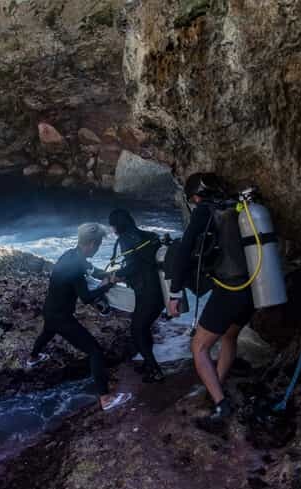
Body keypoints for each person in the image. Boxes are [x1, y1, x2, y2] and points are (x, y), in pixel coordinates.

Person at [167, 172, 256, 433]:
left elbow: (184, 250)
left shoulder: (204, 211)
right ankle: (218, 382)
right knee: (229, 336)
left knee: (199, 348)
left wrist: (174, 292)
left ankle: (220, 405)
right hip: (254, 287)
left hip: (230, 289)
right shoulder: (236, 206)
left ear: (196, 197)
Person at [27, 223, 132, 411]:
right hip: (62, 317)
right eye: (99, 245)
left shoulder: (71, 254)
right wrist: (108, 285)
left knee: (47, 331)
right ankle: (105, 398)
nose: (98, 247)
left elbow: (92, 270)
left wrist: (112, 275)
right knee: (95, 351)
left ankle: (33, 358)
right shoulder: (75, 267)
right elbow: (86, 298)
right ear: (92, 244)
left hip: (49, 310)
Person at [108, 208, 165, 383]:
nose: (112, 230)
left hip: (147, 292)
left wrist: (114, 277)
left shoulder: (125, 239)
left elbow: (133, 266)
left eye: (112, 226)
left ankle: (155, 371)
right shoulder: (148, 235)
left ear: (117, 225)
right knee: (143, 327)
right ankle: (149, 363)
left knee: (137, 330)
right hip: (160, 291)